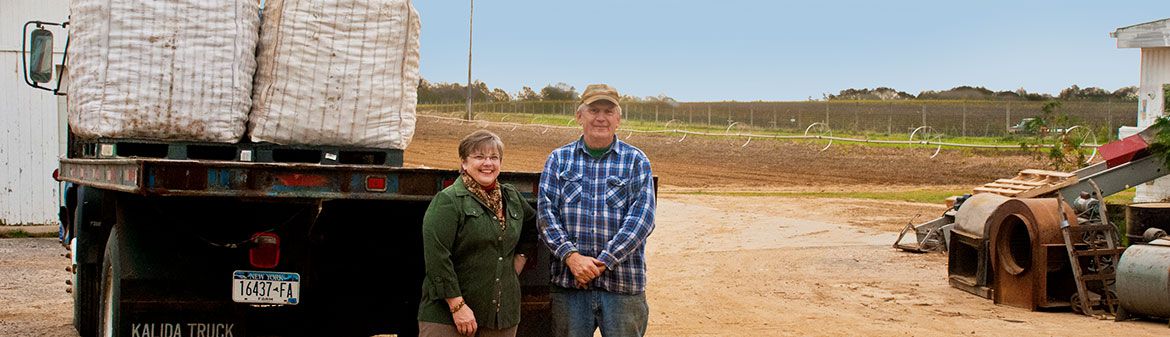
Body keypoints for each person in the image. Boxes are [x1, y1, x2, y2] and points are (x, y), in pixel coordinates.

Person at [538, 84, 656, 337]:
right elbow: (546, 215)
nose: (601, 118)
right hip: (570, 288)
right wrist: (572, 258)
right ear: (579, 115)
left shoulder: (636, 161)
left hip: (622, 287)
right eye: (593, 110)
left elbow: (641, 221)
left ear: (618, 119)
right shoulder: (559, 160)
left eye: (608, 111)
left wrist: (601, 263)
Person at [419, 130, 537, 337]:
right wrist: (457, 306)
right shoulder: (448, 200)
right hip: (448, 318)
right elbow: (437, 258)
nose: (488, 163)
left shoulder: (512, 197)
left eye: (494, 157)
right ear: (464, 163)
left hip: (501, 318)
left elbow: (533, 224)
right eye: (479, 157)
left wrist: (520, 258)